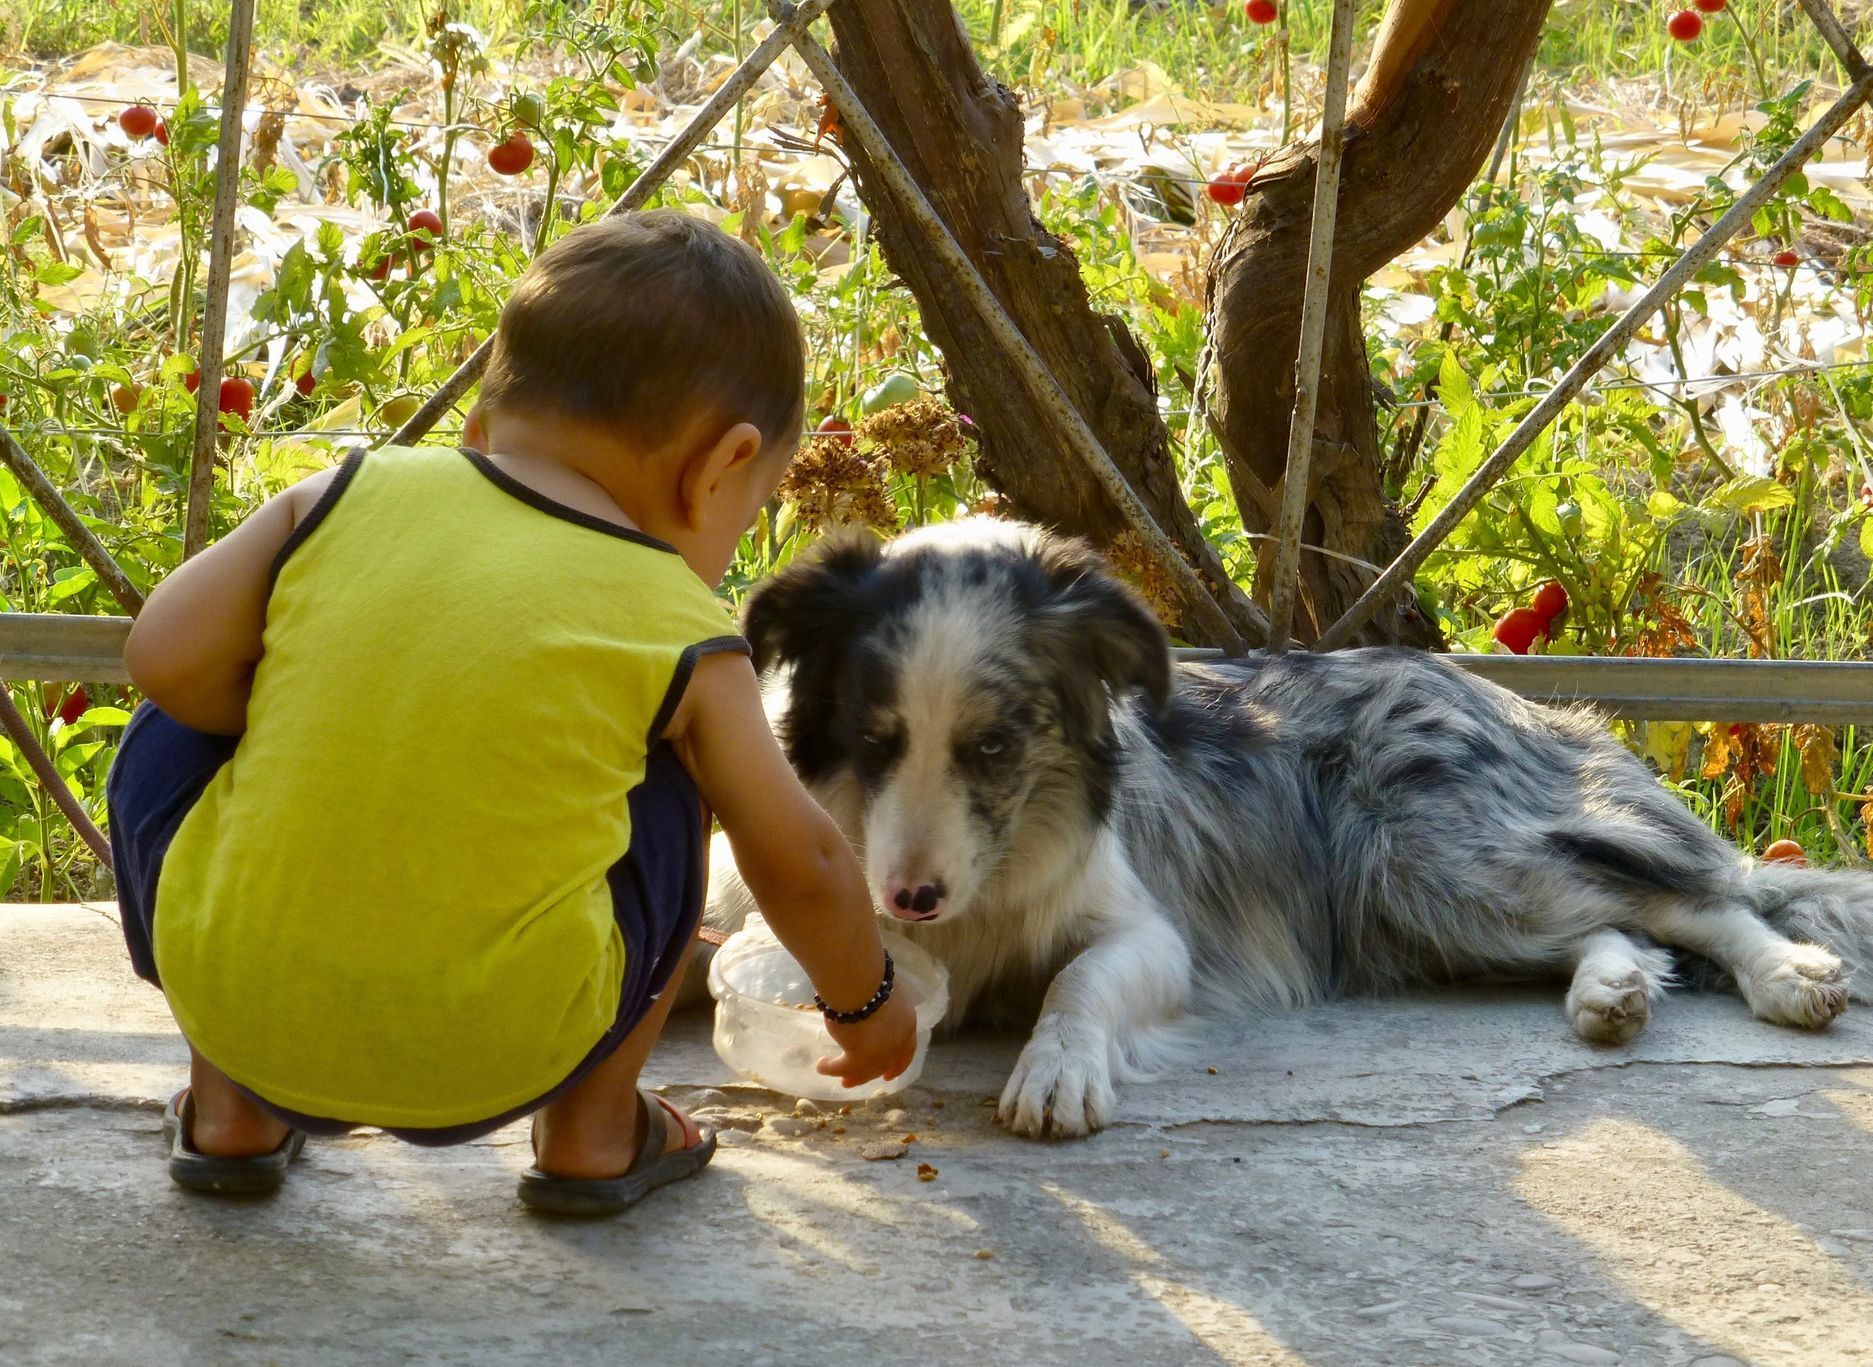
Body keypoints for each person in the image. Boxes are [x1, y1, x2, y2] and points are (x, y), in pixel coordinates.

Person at [105, 211, 917, 1215]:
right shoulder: (678, 622)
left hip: (242, 1002)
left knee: (176, 726)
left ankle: (231, 1103)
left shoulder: (347, 491)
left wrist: (311, 711)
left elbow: (160, 655)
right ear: (719, 466)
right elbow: (803, 859)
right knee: (675, 766)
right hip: (508, 1044)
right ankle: (594, 1128)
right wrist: (867, 1006)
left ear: (480, 424)